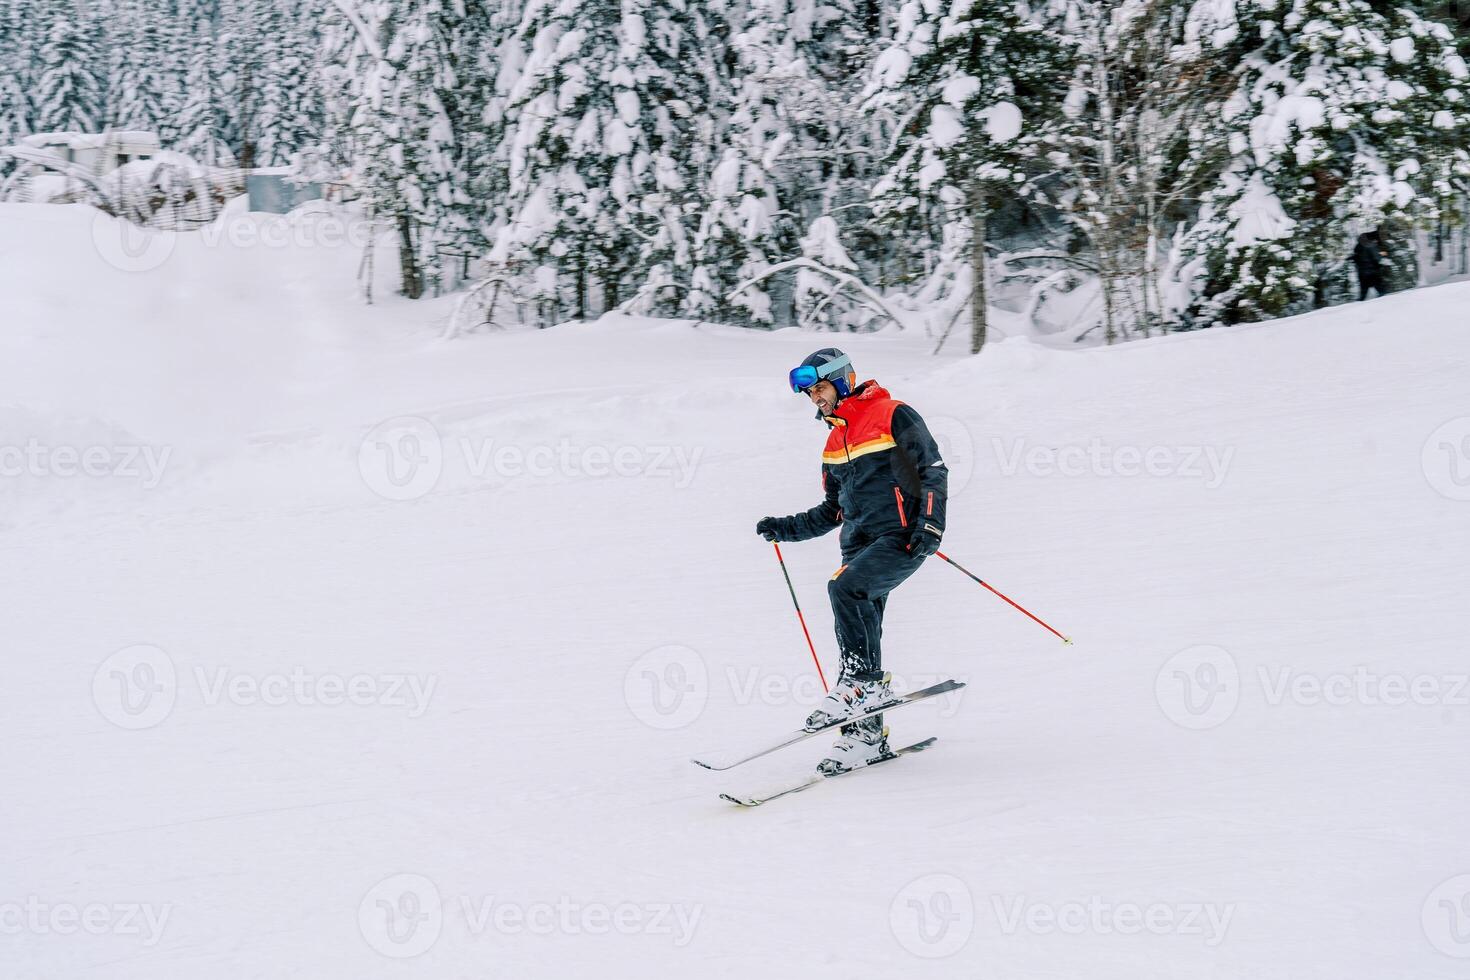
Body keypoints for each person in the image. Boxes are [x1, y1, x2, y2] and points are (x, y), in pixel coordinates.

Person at [755, 348, 948, 774]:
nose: (815, 399)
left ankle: (859, 686)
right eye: (809, 394)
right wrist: (784, 528)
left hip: (902, 537)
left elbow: (932, 469)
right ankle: (866, 736)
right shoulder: (833, 441)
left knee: (844, 589)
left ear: (843, 380)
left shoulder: (893, 413)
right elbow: (831, 512)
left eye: (819, 388)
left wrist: (930, 525)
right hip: (857, 546)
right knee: (861, 620)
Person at [1352, 231, 1390, 301]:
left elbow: (1356, 257)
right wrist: (1382, 255)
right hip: (1372, 272)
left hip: (1362, 273)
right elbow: (1377, 258)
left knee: (1363, 295)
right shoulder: (1371, 245)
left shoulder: (1358, 246)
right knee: (1382, 292)